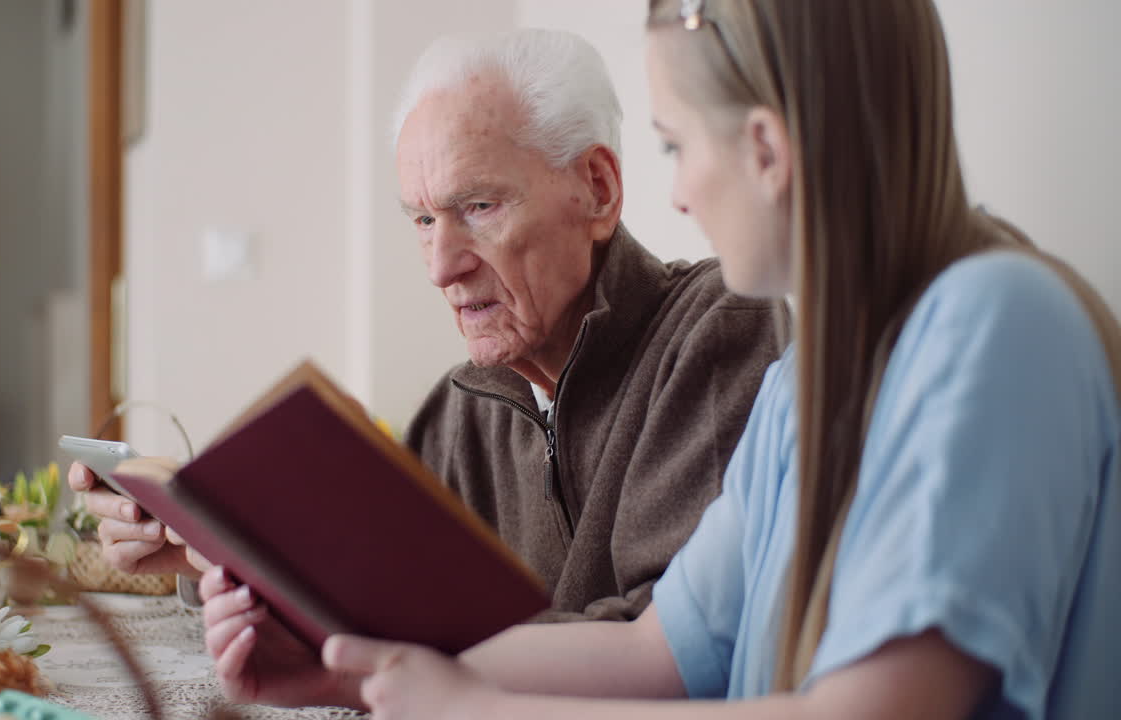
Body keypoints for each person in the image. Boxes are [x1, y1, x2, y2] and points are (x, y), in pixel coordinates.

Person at [234, 0, 1115, 717]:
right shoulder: (808, 385)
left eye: (674, 144)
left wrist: (476, 708)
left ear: (766, 151)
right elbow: (654, 653)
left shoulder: (995, 322)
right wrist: (355, 670)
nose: (680, 193)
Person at [73, 28, 782, 706]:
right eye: (420, 220)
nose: (442, 267)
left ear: (597, 189)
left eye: (478, 206)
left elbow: (670, 654)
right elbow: (371, 606)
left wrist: (396, 652)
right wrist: (206, 552)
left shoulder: (716, 334)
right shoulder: (459, 411)